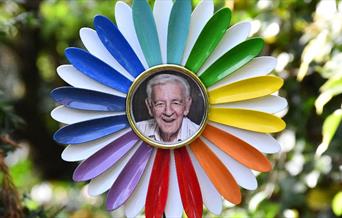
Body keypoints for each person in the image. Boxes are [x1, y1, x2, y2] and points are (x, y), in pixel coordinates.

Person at [136, 74, 199, 143]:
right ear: (149, 106)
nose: (168, 112)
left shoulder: (200, 136)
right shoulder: (135, 132)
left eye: (176, 103)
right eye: (160, 104)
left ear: (187, 106)